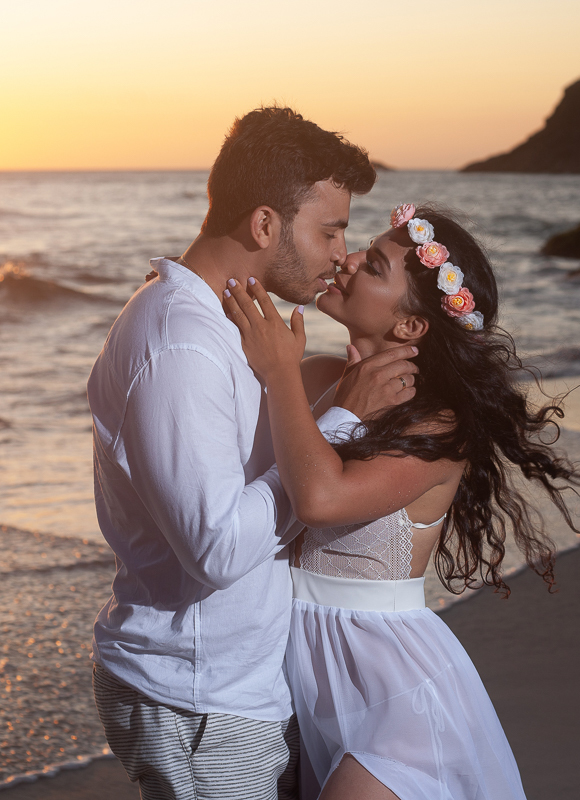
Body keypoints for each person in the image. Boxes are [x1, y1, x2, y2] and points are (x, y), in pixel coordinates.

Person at [86, 107, 419, 800]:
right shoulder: (182, 342)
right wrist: (340, 423)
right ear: (265, 225)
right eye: (329, 231)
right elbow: (217, 549)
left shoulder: (226, 322)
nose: (339, 254)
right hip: (198, 697)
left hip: (232, 687)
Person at [223, 203, 580, 799]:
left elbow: (319, 500)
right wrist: (172, 302)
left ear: (411, 327)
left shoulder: (438, 428)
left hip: (394, 695)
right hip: (302, 675)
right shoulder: (315, 379)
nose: (343, 260)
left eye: (371, 266)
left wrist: (280, 375)